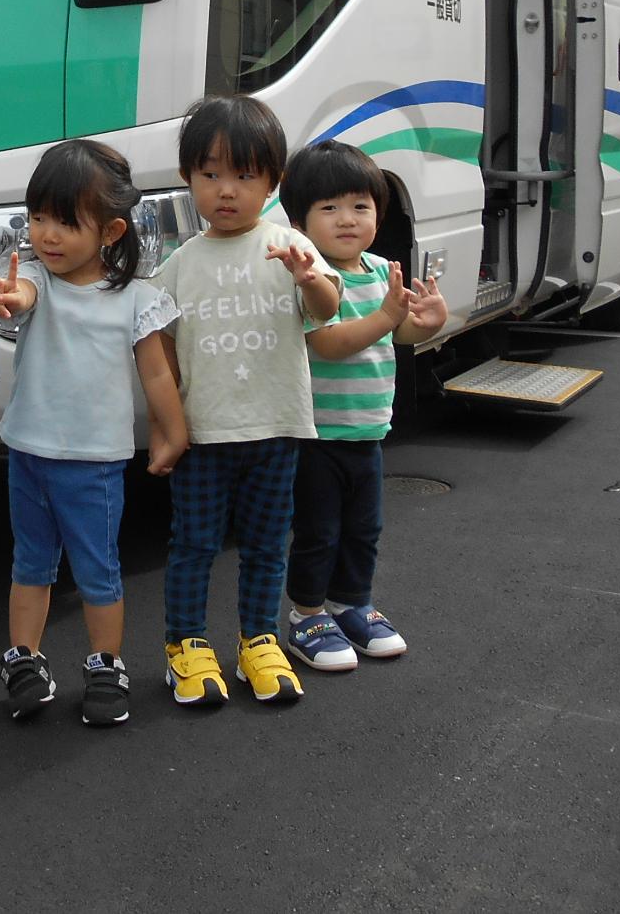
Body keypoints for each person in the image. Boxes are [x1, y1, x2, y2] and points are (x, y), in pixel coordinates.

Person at [0, 139, 190, 728]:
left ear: (111, 230)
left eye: (66, 222)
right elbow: (17, 300)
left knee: (98, 569)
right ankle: (23, 660)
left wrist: (172, 432)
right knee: (30, 565)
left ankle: (105, 665)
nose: (47, 234)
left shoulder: (134, 301)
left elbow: (157, 371)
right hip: (28, 455)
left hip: (95, 463)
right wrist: (12, 295)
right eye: (38, 217)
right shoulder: (37, 287)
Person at [151, 94, 340, 707]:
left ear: (272, 182)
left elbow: (326, 311)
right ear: (188, 180)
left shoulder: (290, 245)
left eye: (244, 175)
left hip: (277, 428)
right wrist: (169, 425)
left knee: (265, 544)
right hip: (205, 435)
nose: (225, 190)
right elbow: (160, 352)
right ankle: (186, 645)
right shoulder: (179, 265)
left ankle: (259, 640)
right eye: (209, 175)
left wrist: (307, 277)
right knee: (194, 545)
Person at [279, 140, 448, 670]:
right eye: (329, 208)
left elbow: (399, 335)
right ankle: (306, 614)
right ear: (300, 221)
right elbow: (327, 342)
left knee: (363, 529)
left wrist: (428, 322)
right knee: (318, 531)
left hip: (369, 431)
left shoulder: (379, 271)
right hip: (319, 435)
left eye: (360, 207)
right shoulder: (310, 277)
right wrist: (385, 317)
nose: (347, 220)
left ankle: (351, 603)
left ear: (380, 212)